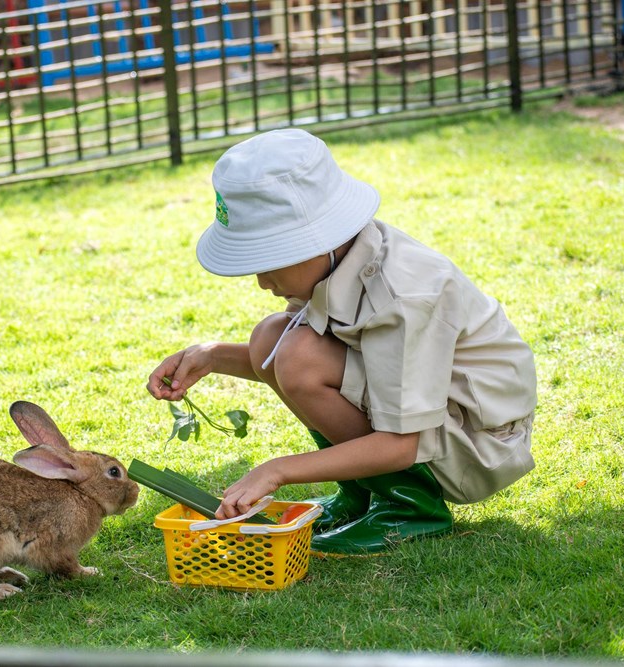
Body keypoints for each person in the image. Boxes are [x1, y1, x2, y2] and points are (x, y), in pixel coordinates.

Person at [146, 128, 537, 555]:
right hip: (429, 419)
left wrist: (277, 471)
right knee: (270, 338)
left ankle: (410, 507)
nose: (261, 281)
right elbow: (311, 362)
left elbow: (400, 442)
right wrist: (213, 356)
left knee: (297, 353)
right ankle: (362, 495)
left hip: (476, 442)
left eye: (268, 259)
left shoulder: (403, 296)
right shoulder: (341, 260)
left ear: (318, 241)